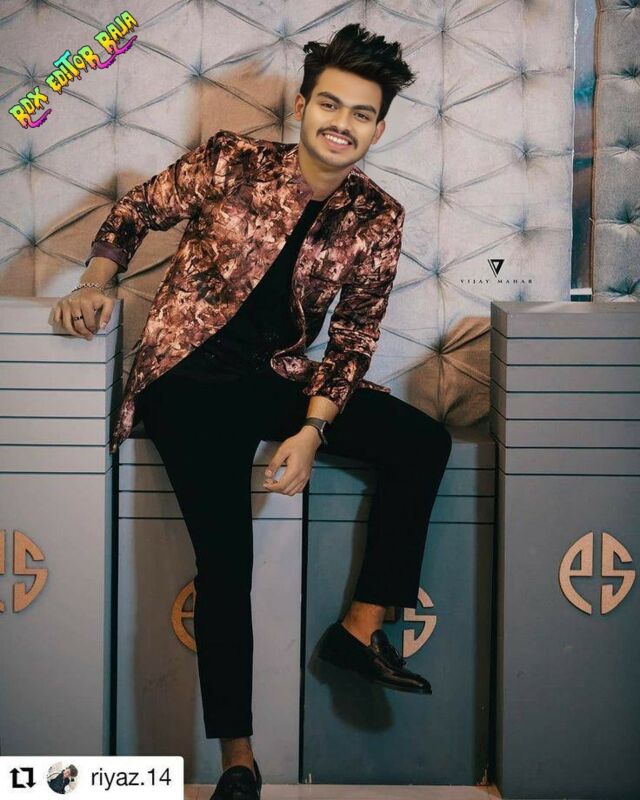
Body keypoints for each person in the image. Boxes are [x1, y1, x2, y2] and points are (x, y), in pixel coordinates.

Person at [52, 23, 452, 800]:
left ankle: (360, 629)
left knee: (420, 442)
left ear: (378, 128)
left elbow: (355, 335)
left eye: (361, 113)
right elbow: (135, 212)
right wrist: (95, 282)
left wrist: (312, 428)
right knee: (227, 560)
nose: (341, 123)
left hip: (274, 379)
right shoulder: (232, 159)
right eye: (329, 104)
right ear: (302, 106)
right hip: (188, 379)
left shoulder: (377, 216)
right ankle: (239, 758)